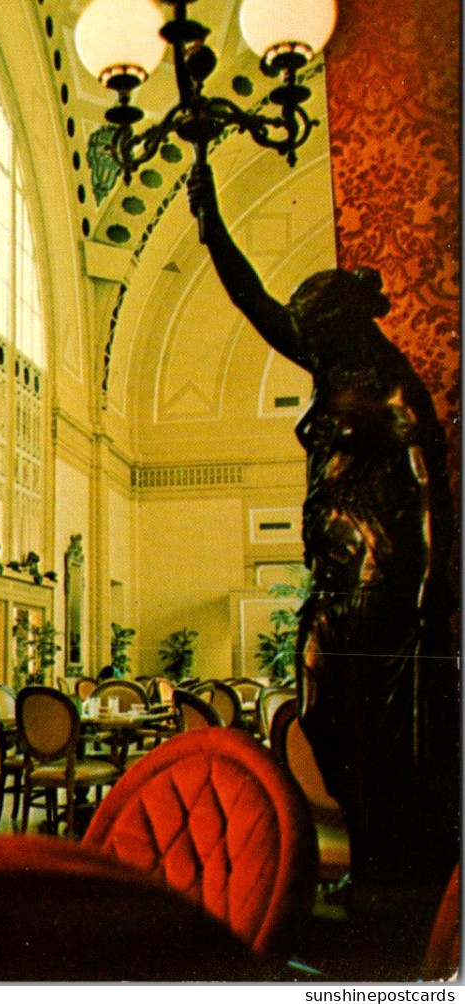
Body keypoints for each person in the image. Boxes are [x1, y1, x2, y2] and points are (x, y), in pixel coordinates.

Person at [187, 164, 458, 896]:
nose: (301, 341)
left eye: (311, 332)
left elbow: (431, 491)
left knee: (371, 727)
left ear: (341, 325)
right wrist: (212, 230)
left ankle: (378, 862)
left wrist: (433, 586)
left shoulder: (391, 384)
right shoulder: (329, 358)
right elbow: (257, 306)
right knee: (323, 711)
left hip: (381, 575)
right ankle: (361, 845)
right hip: (334, 577)